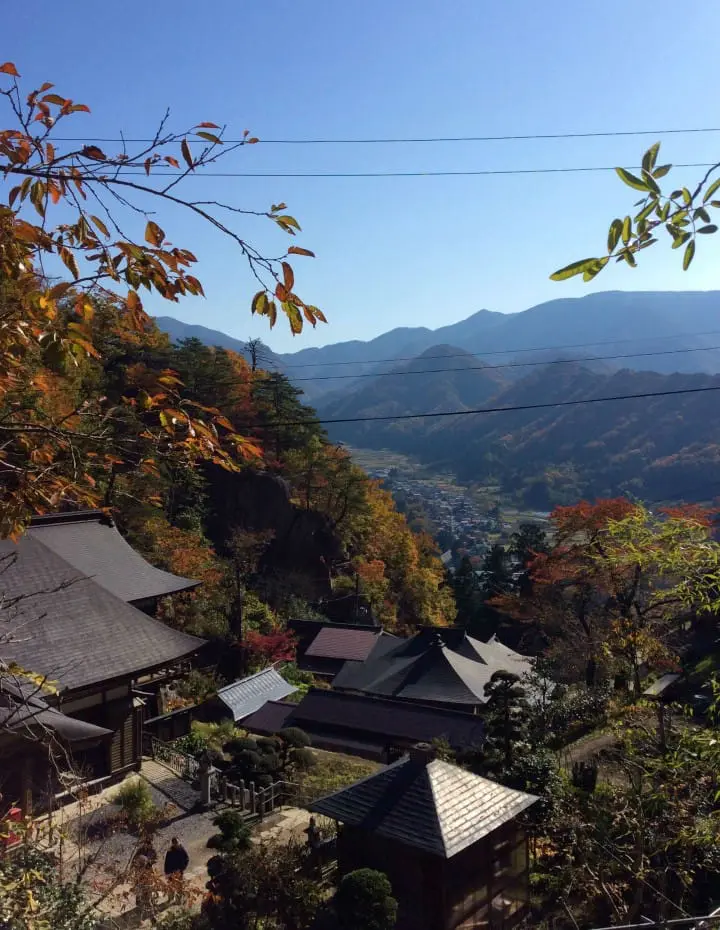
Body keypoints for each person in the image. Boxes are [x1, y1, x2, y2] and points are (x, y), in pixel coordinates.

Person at [164, 836, 190, 903]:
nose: (176, 844)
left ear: (179, 842)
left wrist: (182, 869)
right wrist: (166, 873)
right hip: (171, 872)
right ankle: (170, 899)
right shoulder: (170, 851)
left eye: (177, 843)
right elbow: (166, 862)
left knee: (179, 887)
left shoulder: (182, 849)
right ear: (172, 843)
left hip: (179, 871)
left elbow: (187, 859)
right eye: (174, 843)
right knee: (170, 886)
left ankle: (179, 901)